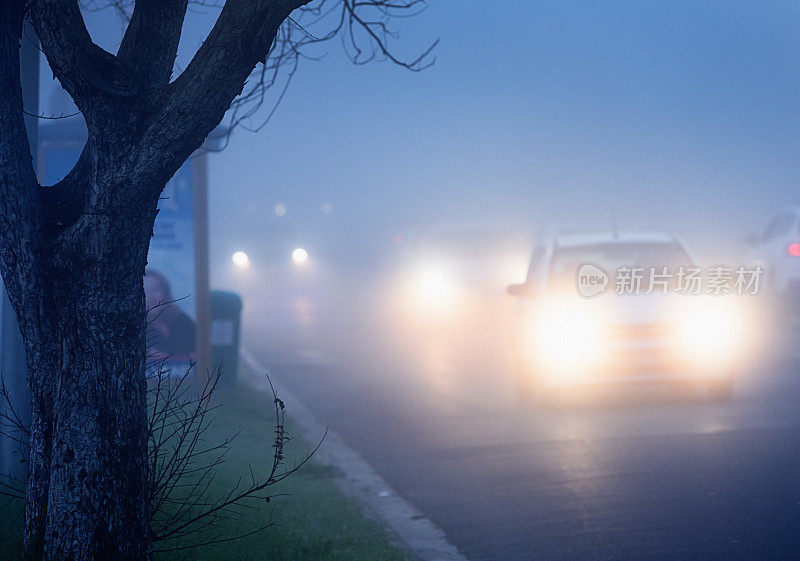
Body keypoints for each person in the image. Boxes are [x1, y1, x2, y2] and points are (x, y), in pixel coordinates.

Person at [144, 269, 196, 363]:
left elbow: (201, 353)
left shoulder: (182, 320)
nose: (150, 297)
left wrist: (167, 358)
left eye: (155, 290)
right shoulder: (132, 329)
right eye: (143, 291)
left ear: (165, 293)